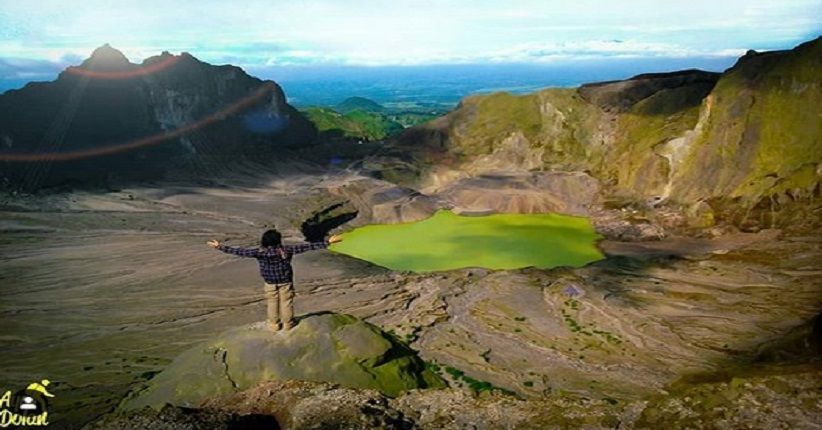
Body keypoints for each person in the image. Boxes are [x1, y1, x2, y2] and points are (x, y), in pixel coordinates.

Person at [207, 229, 342, 331]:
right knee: (286, 302)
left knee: (272, 302)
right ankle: (288, 324)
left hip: (269, 282)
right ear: (278, 240)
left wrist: (219, 246)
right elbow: (308, 247)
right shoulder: (286, 250)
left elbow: (240, 251)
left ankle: (274, 325)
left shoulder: (260, 252)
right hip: (285, 280)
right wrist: (328, 242)